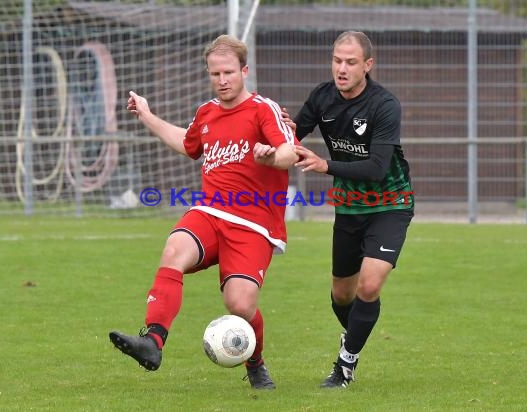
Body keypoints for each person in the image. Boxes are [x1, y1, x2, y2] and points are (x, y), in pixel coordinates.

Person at [109, 34, 298, 390]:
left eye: (228, 72)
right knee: (174, 250)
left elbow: (290, 151)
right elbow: (187, 143)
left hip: (253, 225)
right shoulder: (206, 113)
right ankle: (152, 342)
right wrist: (147, 115)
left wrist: (271, 155)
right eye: (215, 73)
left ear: (244, 71)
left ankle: (255, 364)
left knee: (239, 305)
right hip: (210, 212)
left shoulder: (263, 109)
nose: (222, 80)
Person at [285, 31, 414, 388]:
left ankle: (345, 365)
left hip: (390, 203)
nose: (341, 69)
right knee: (342, 295)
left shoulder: (384, 105)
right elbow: (294, 136)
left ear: (367, 66)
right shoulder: (323, 97)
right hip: (349, 207)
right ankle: (355, 335)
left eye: (350, 62)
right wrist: (279, 127)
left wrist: (325, 166)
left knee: (369, 286)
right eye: (337, 60)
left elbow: (375, 168)